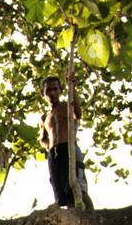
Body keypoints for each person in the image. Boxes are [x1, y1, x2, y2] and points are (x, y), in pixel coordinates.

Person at [39, 75, 93, 210]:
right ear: (43, 94)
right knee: (63, 194)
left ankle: (93, 218)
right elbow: (43, 139)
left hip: (69, 148)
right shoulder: (44, 117)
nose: (52, 93)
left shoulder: (67, 106)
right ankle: (74, 219)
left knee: (77, 188)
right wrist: (50, 149)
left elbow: (78, 113)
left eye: (55, 89)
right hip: (54, 154)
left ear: (60, 90)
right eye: (48, 91)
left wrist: (73, 88)